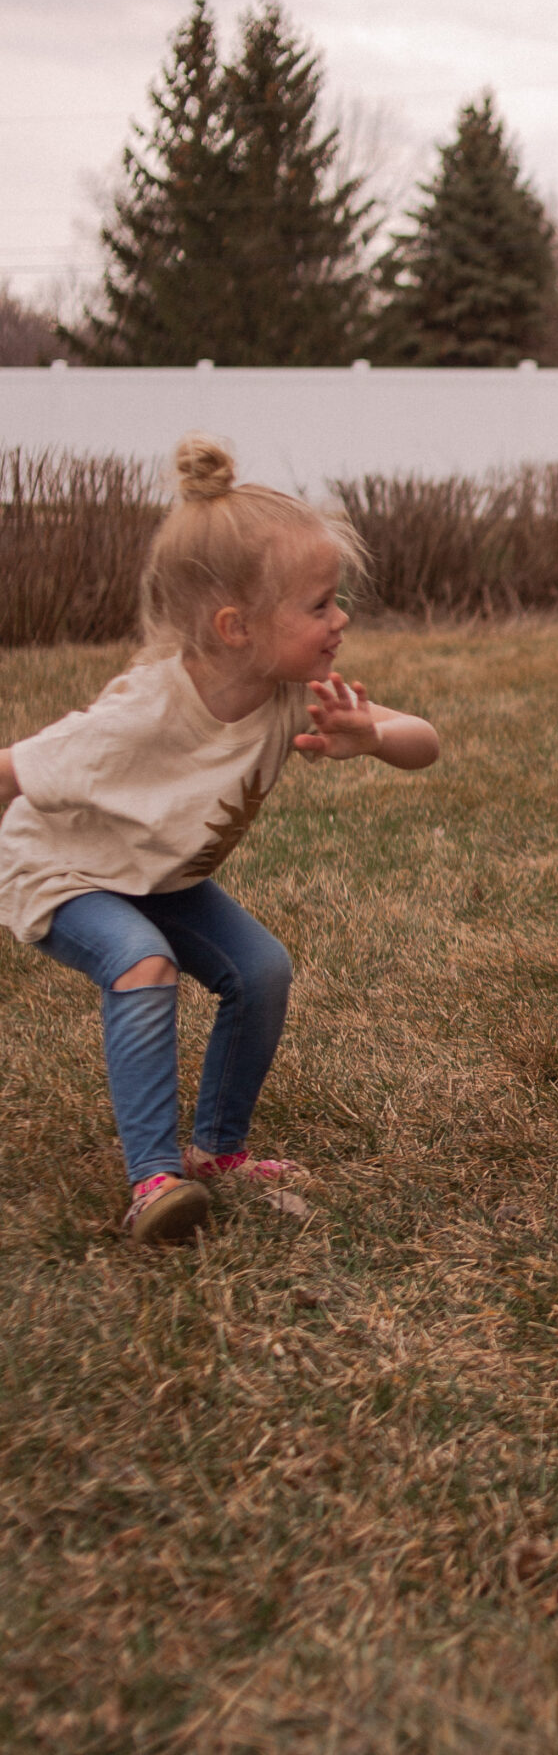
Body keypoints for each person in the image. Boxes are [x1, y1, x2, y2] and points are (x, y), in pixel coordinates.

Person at [0, 435, 439, 1244]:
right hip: (61, 868)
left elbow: (425, 740)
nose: (339, 620)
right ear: (235, 626)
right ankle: (153, 1180)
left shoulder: (290, 692)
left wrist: (369, 736)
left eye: (335, 600)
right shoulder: (142, 712)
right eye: (318, 605)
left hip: (156, 874)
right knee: (142, 963)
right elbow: (12, 773)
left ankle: (219, 1151)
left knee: (262, 970)